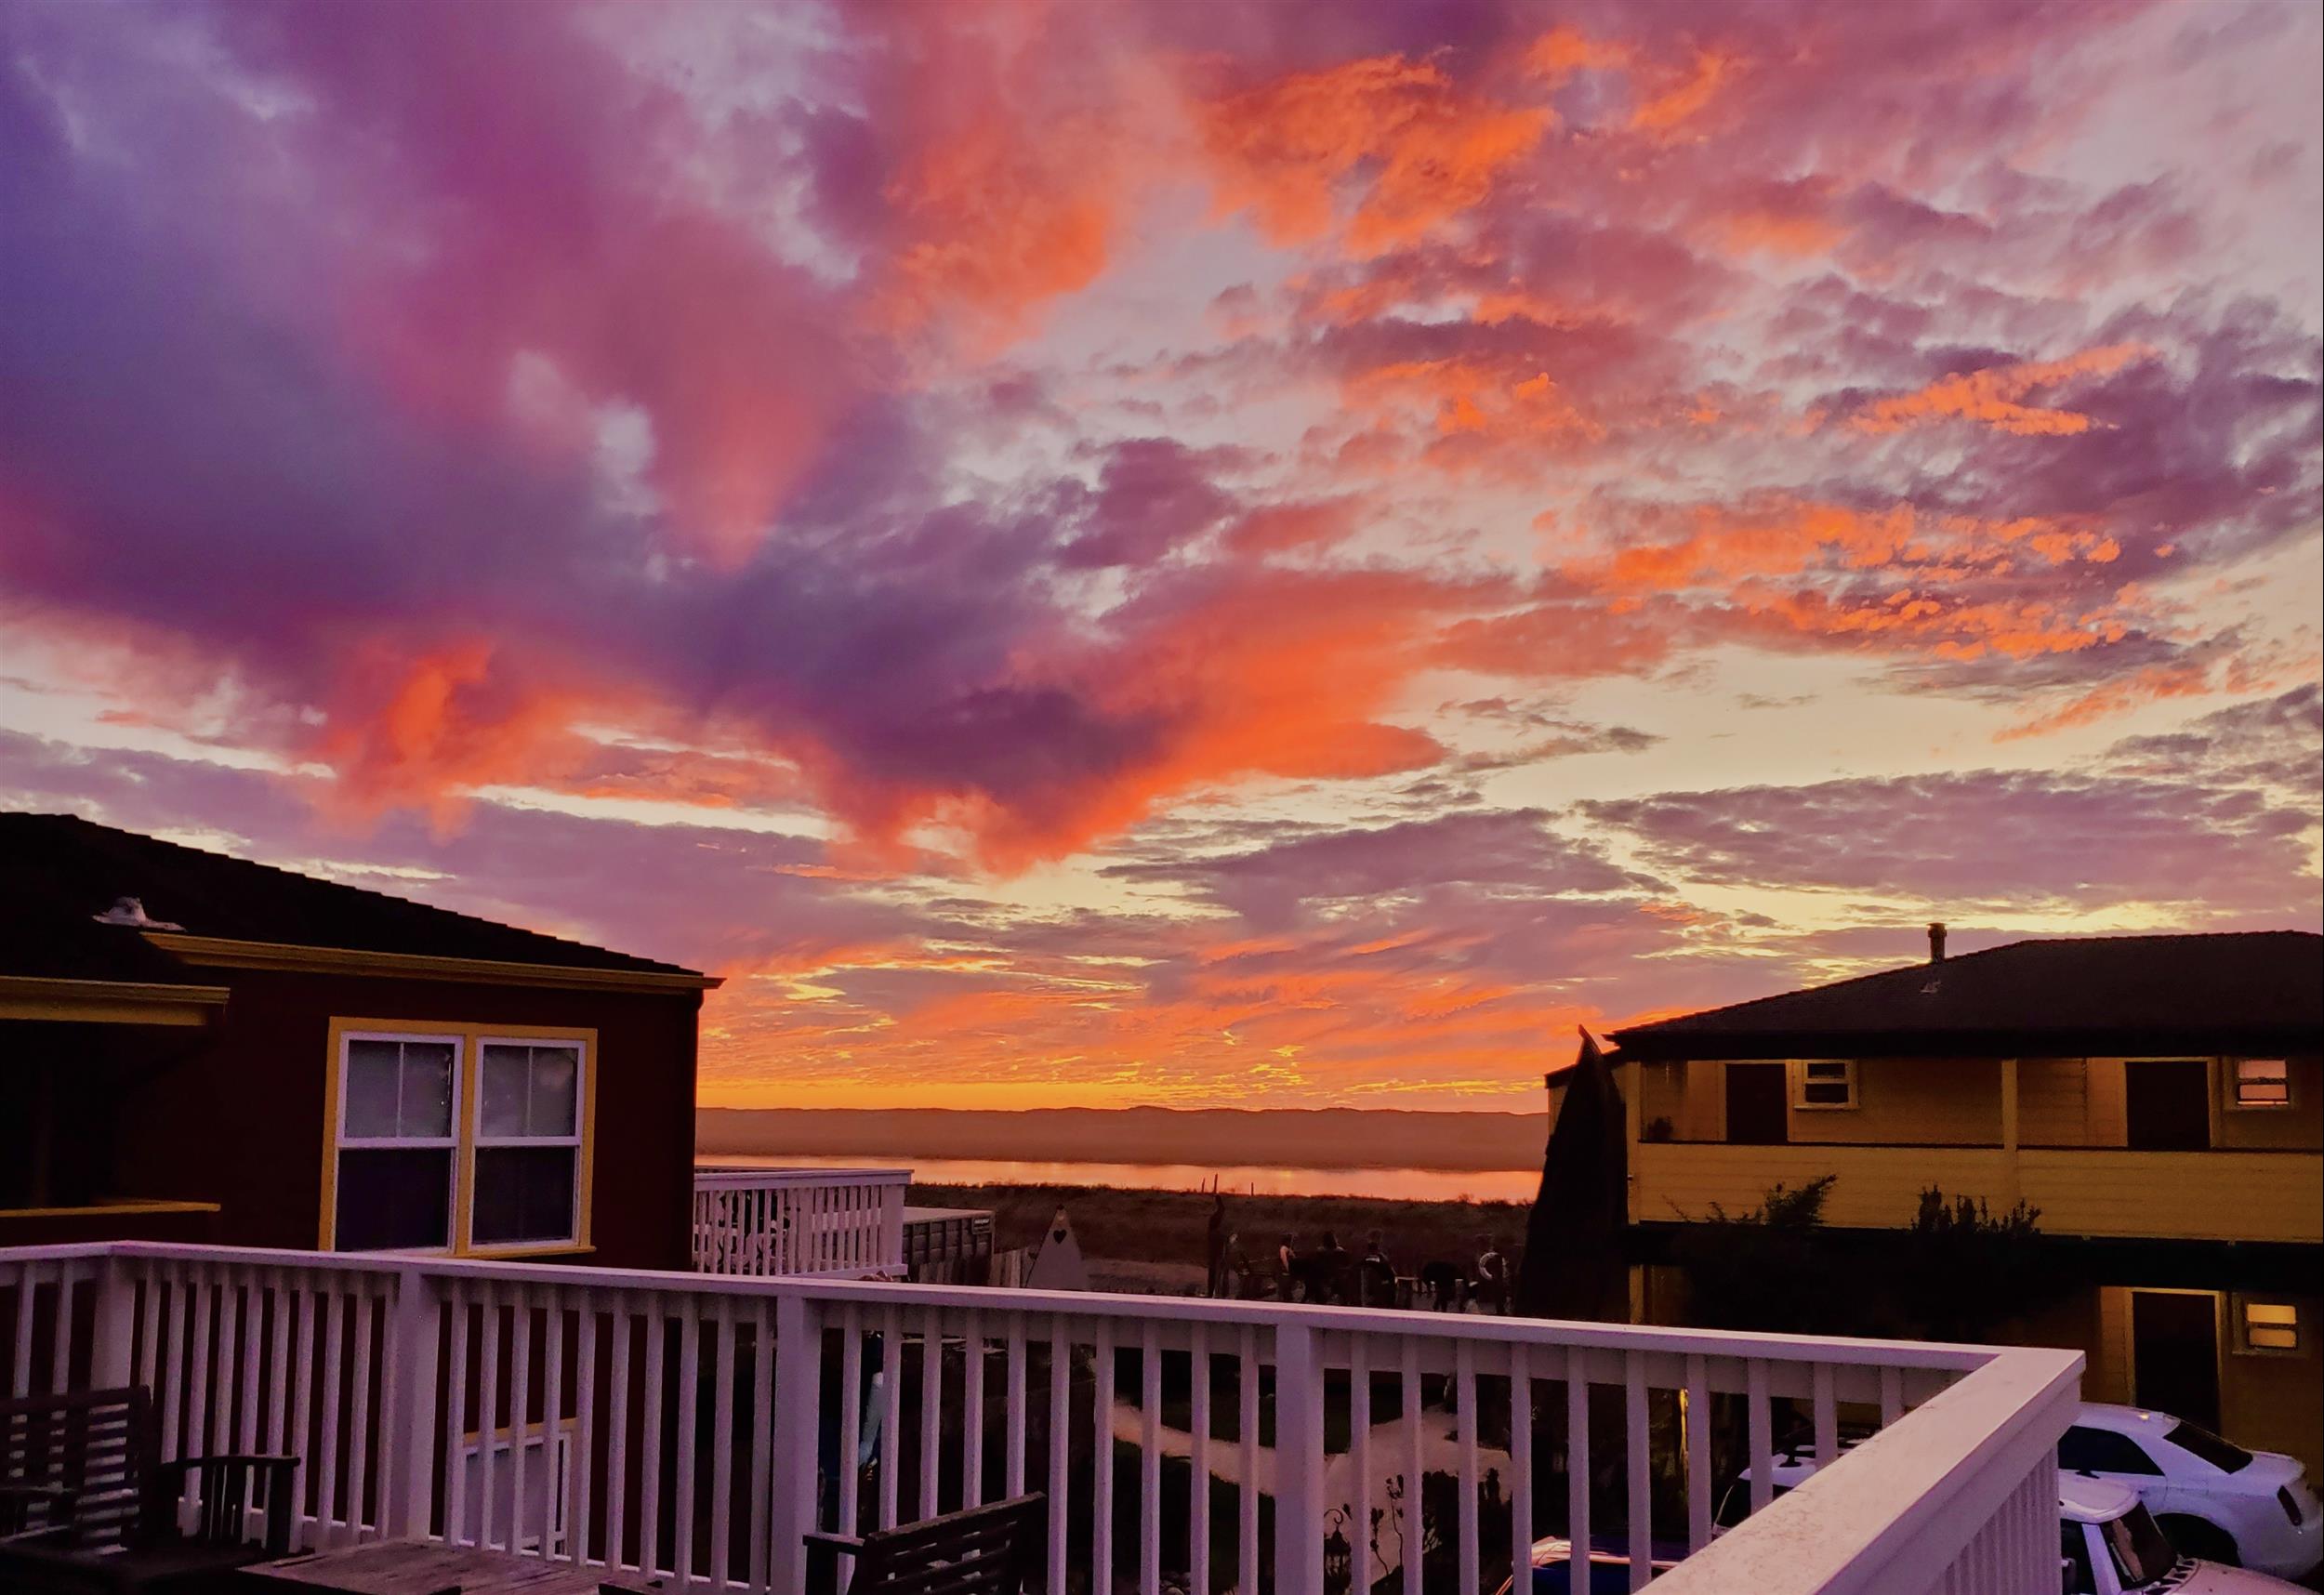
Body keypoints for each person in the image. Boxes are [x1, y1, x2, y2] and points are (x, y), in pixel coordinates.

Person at [1472, 1233, 1510, 1315]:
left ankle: (1500, 1309)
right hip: (1495, 1278)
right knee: (1498, 1294)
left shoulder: (1493, 1257)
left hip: (1495, 1278)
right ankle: (1500, 1309)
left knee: (1498, 1294)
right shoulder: (1494, 1257)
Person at [1359, 1232, 1396, 1307]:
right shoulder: (1383, 1263)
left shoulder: (1363, 1263)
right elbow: (1392, 1277)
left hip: (1368, 1294)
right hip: (1381, 1294)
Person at [1314, 1230, 1350, 1304]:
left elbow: (1316, 1265)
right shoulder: (1341, 1252)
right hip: (1337, 1276)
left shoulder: (1319, 1252)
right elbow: (1346, 1263)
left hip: (1323, 1276)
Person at [1275, 1232, 1300, 1300]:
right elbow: (1284, 1261)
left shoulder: (1288, 1249)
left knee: (1287, 1289)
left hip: (1286, 1272)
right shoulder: (1283, 1248)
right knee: (1284, 1289)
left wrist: (1292, 1254)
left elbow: (1294, 1259)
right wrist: (1289, 1269)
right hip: (1282, 1272)